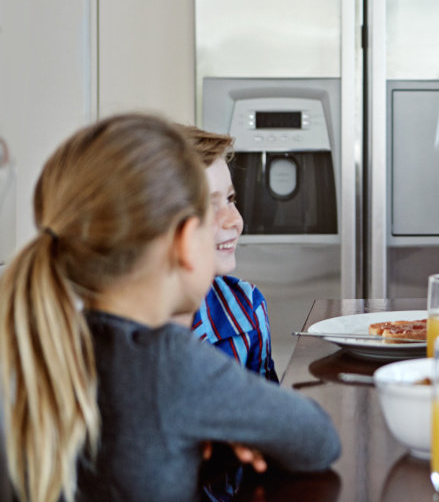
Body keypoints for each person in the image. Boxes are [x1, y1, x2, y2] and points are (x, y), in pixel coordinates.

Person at [0, 113, 340, 502]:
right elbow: (317, 438)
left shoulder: (46, 335)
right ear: (183, 242)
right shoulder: (171, 363)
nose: (234, 220)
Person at [181, 125, 279, 382]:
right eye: (209, 206)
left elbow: (265, 413)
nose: (234, 220)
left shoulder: (246, 307)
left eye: (231, 199)